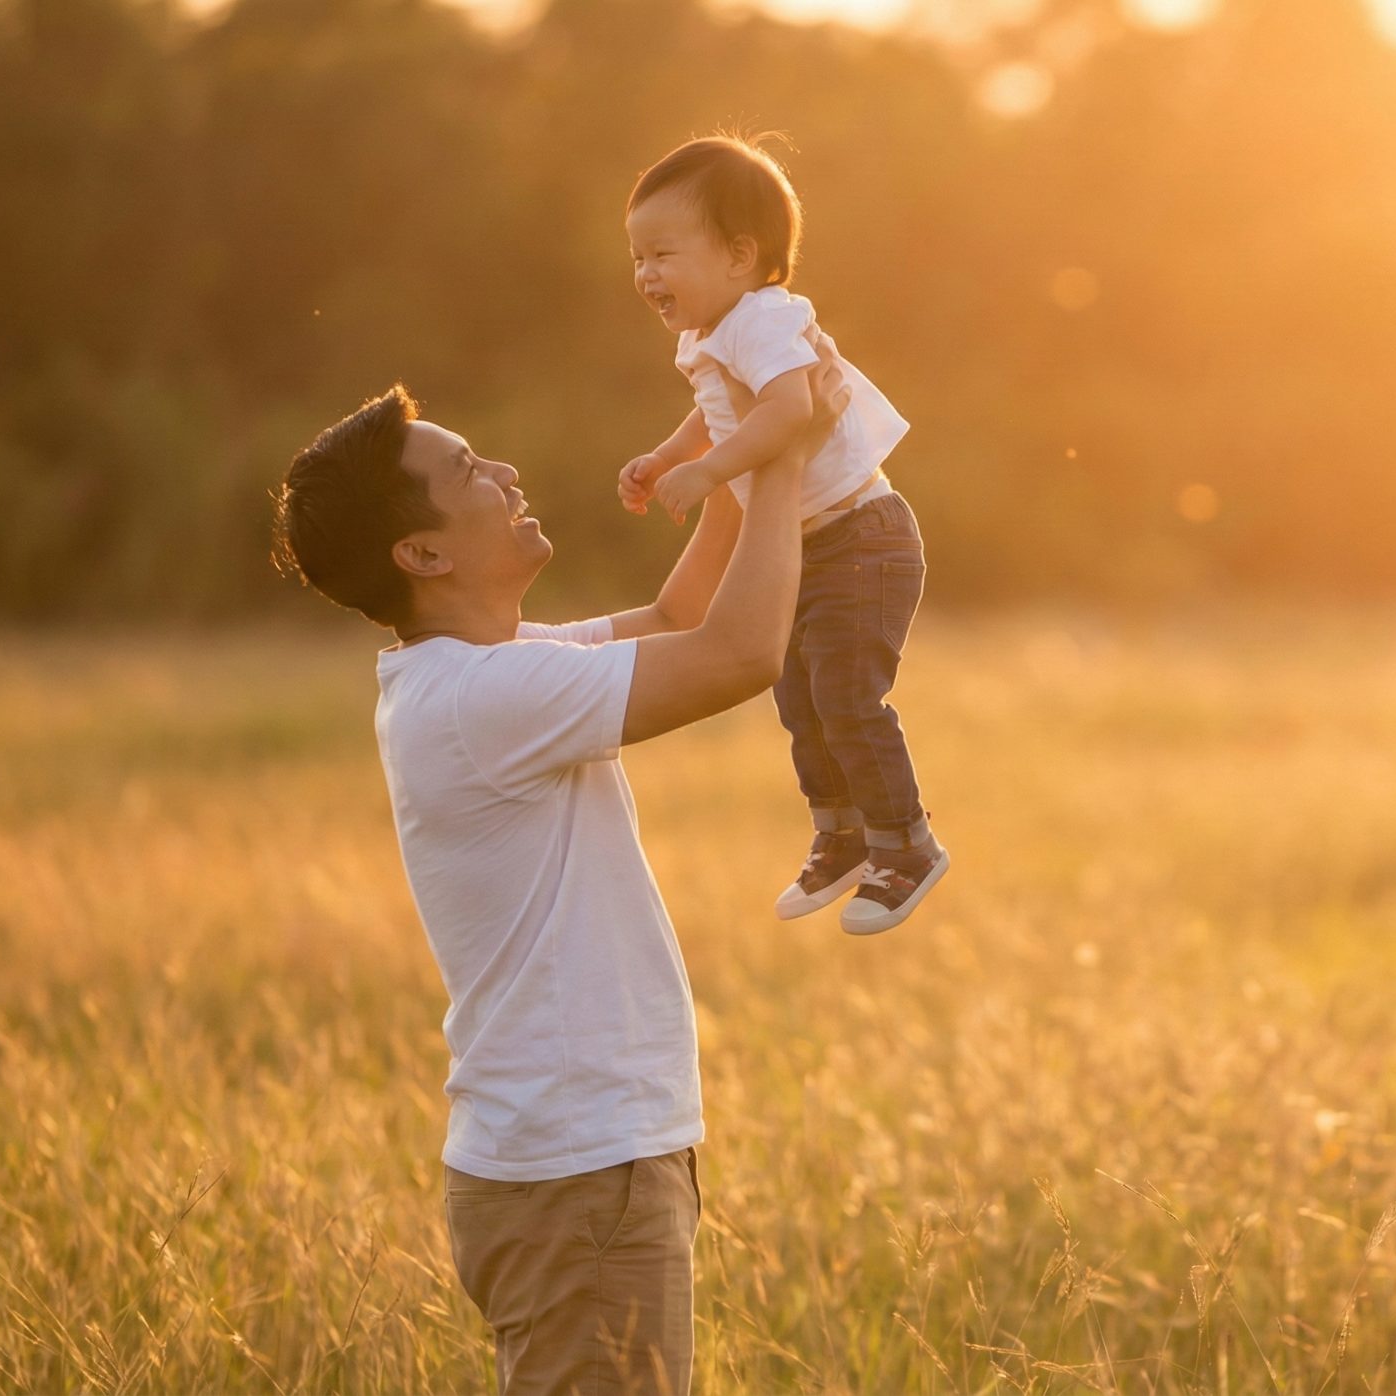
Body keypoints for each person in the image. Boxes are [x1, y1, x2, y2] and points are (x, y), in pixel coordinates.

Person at [269, 354, 845, 1395]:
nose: (506, 469)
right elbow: (740, 653)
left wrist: (731, 446)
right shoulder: (482, 698)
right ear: (423, 550)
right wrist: (783, 455)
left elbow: (678, 621)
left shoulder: (486, 669)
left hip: (581, 1163)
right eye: (469, 469)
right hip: (579, 1170)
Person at [617, 134, 951, 935]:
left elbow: (789, 410)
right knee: (798, 694)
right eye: (637, 257)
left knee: (843, 691)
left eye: (663, 253)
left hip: (861, 537)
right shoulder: (710, 333)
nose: (646, 275)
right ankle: (841, 834)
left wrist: (707, 475)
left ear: (740, 255)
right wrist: (669, 456)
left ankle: (905, 843)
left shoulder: (763, 317)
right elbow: (721, 407)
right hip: (817, 542)